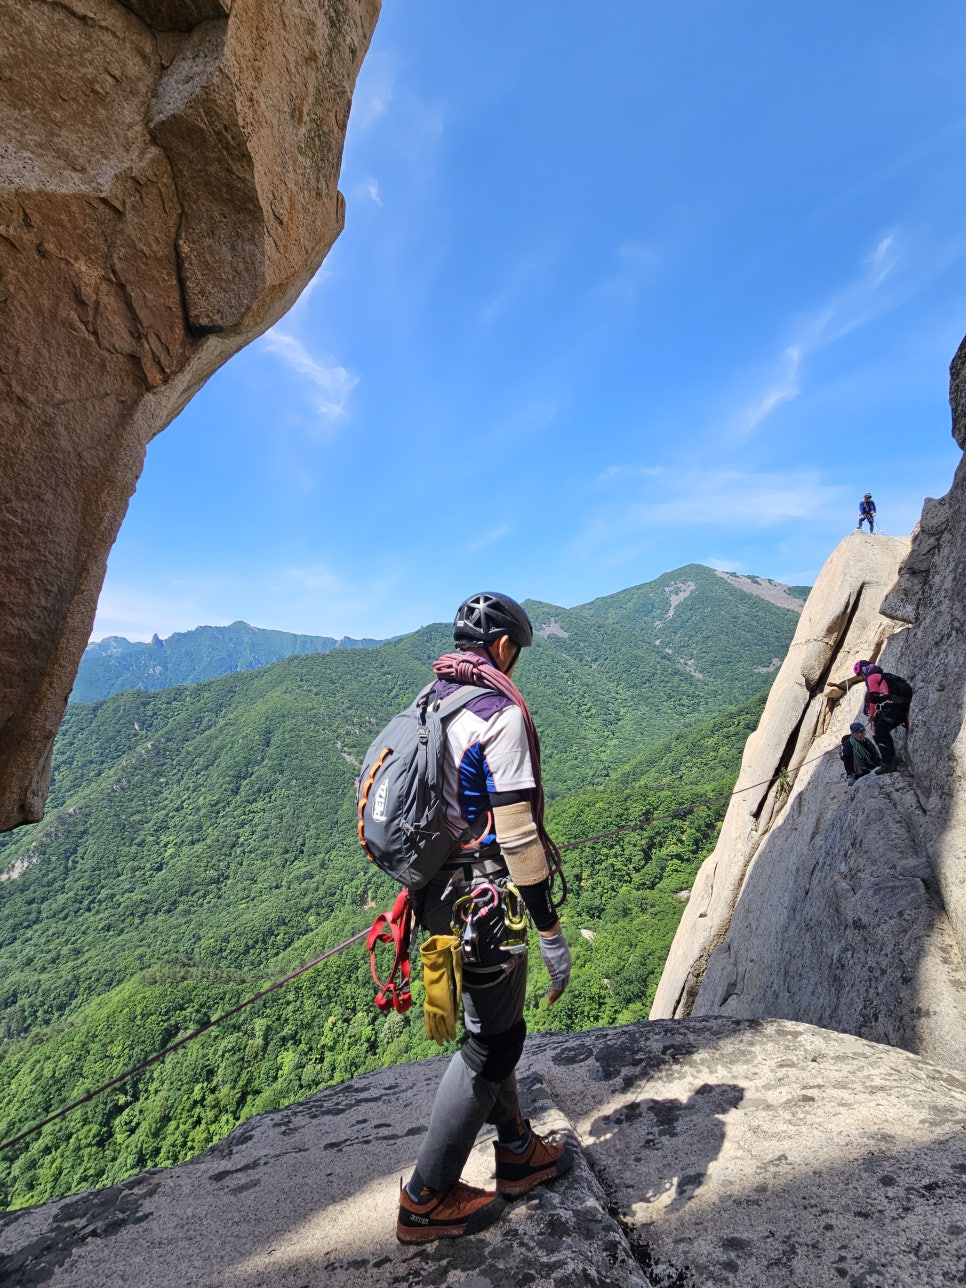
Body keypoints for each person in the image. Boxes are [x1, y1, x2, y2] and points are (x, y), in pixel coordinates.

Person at [396, 592, 573, 1244]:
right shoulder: (498, 715)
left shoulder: (431, 700)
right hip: (485, 902)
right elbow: (521, 837)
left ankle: (519, 1149)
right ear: (504, 647)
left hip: (434, 900)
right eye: (517, 652)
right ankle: (425, 1195)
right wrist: (550, 931)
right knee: (493, 1044)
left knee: (487, 1026)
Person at [852, 660, 912, 775]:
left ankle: (888, 763)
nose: (862, 677)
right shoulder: (882, 676)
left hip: (892, 710)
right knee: (882, 731)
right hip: (899, 710)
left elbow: (873, 697)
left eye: (860, 675)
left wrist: (873, 716)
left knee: (879, 732)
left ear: (863, 671)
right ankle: (891, 759)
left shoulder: (872, 677)